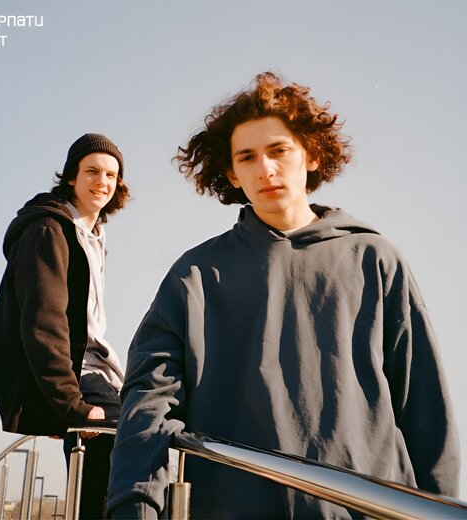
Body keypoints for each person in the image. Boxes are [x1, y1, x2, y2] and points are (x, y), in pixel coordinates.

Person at [107, 73, 460, 519]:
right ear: (232, 173)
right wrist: (134, 504)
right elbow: (149, 400)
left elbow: (424, 407)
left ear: (311, 154)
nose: (265, 169)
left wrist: (440, 508)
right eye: (247, 157)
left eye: (278, 150)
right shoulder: (194, 275)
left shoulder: (375, 258)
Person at [0, 133, 129, 519]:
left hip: (100, 374)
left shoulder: (93, 235)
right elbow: (43, 322)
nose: (102, 182)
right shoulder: (50, 230)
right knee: (115, 477)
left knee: (115, 478)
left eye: (111, 175)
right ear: (71, 176)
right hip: (80, 377)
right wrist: (68, 403)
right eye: (92, 171)